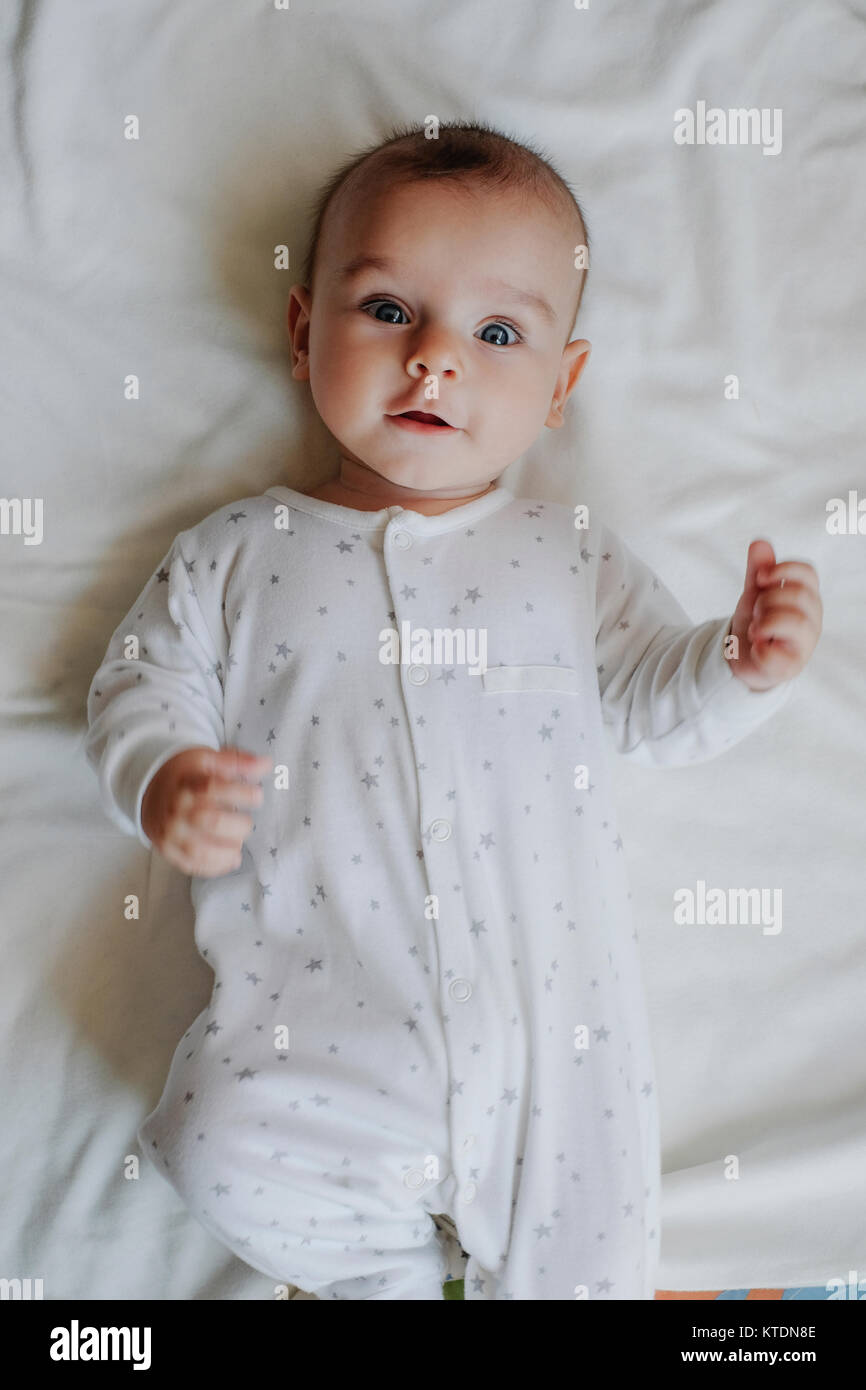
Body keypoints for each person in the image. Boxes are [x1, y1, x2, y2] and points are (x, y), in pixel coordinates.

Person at [85, 120, 822, 1300]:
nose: (434, 362)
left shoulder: (560, 552)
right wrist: (162, 775)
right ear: (300, 330)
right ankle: (383, 1278)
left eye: (494, 334)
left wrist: (734, 663)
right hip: (318, 1026)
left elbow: (642, 697)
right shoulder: (239, 553)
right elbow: (139, 684)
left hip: (551, 1044)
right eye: (386, 311)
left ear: (558, 387)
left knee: (594, 1264)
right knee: (212, 1146)